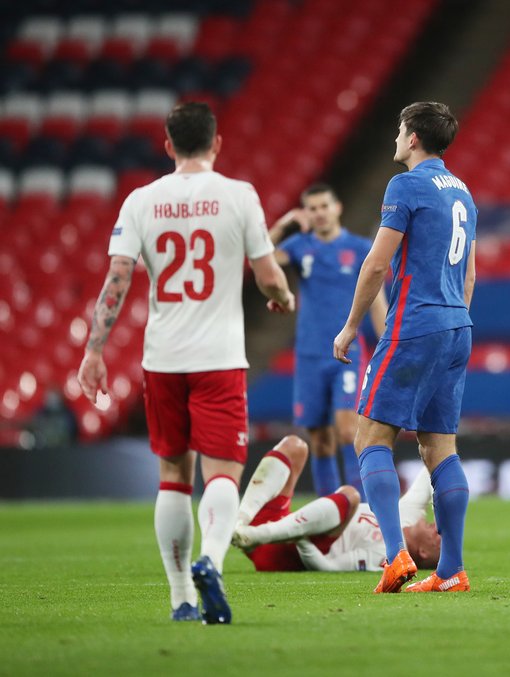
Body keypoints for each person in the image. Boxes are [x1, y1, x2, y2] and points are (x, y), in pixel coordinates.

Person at [76, 102, 295, 625]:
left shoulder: (141, 201)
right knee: (223, 472)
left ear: (168, 145)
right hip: (219, 357)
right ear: (217, 144)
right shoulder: (239, 196)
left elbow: (117, 281)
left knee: (174, 474)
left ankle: (180, 599)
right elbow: (267, 275)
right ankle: (211, 561)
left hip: (163, 357)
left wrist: (94, 349)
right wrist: (282, 296)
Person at [332, 101, 476, 594]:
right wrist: (453, 321)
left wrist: (352, 326)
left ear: (413, 137)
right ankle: (452, 570)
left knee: (370, 438)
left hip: (414, 325)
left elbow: (376, 263)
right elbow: (470, 273)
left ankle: (394, 557)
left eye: (399, 128)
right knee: (440, 447)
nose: (395, 137)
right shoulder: (463, 192)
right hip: (458, 325)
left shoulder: (406, 186)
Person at [268, 184, 389, 498]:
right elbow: (261, 259)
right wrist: (283, 225)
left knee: (348, 429)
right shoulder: (298, 246)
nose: (319, 213)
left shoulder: (361, 248)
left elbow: (376, 301)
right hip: (309, 356)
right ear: (306, 213)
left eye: (324, 206)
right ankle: (330, 514)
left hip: (347, 353)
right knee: (320, 439)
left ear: (337, 208)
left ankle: (361, 510)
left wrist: (388, 344)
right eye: (312, 208)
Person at [230, 435, 441, 572]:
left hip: (282, 553)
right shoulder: (410, 513)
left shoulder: (387, 558)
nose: (438, 528)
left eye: (439, 539)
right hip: (280, 527)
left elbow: (327, 566)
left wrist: (301, 537)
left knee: (350, 496)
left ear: (423, 552)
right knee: (295, 446)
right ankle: (240, 524)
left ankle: (256, 534)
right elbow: (432, 468)